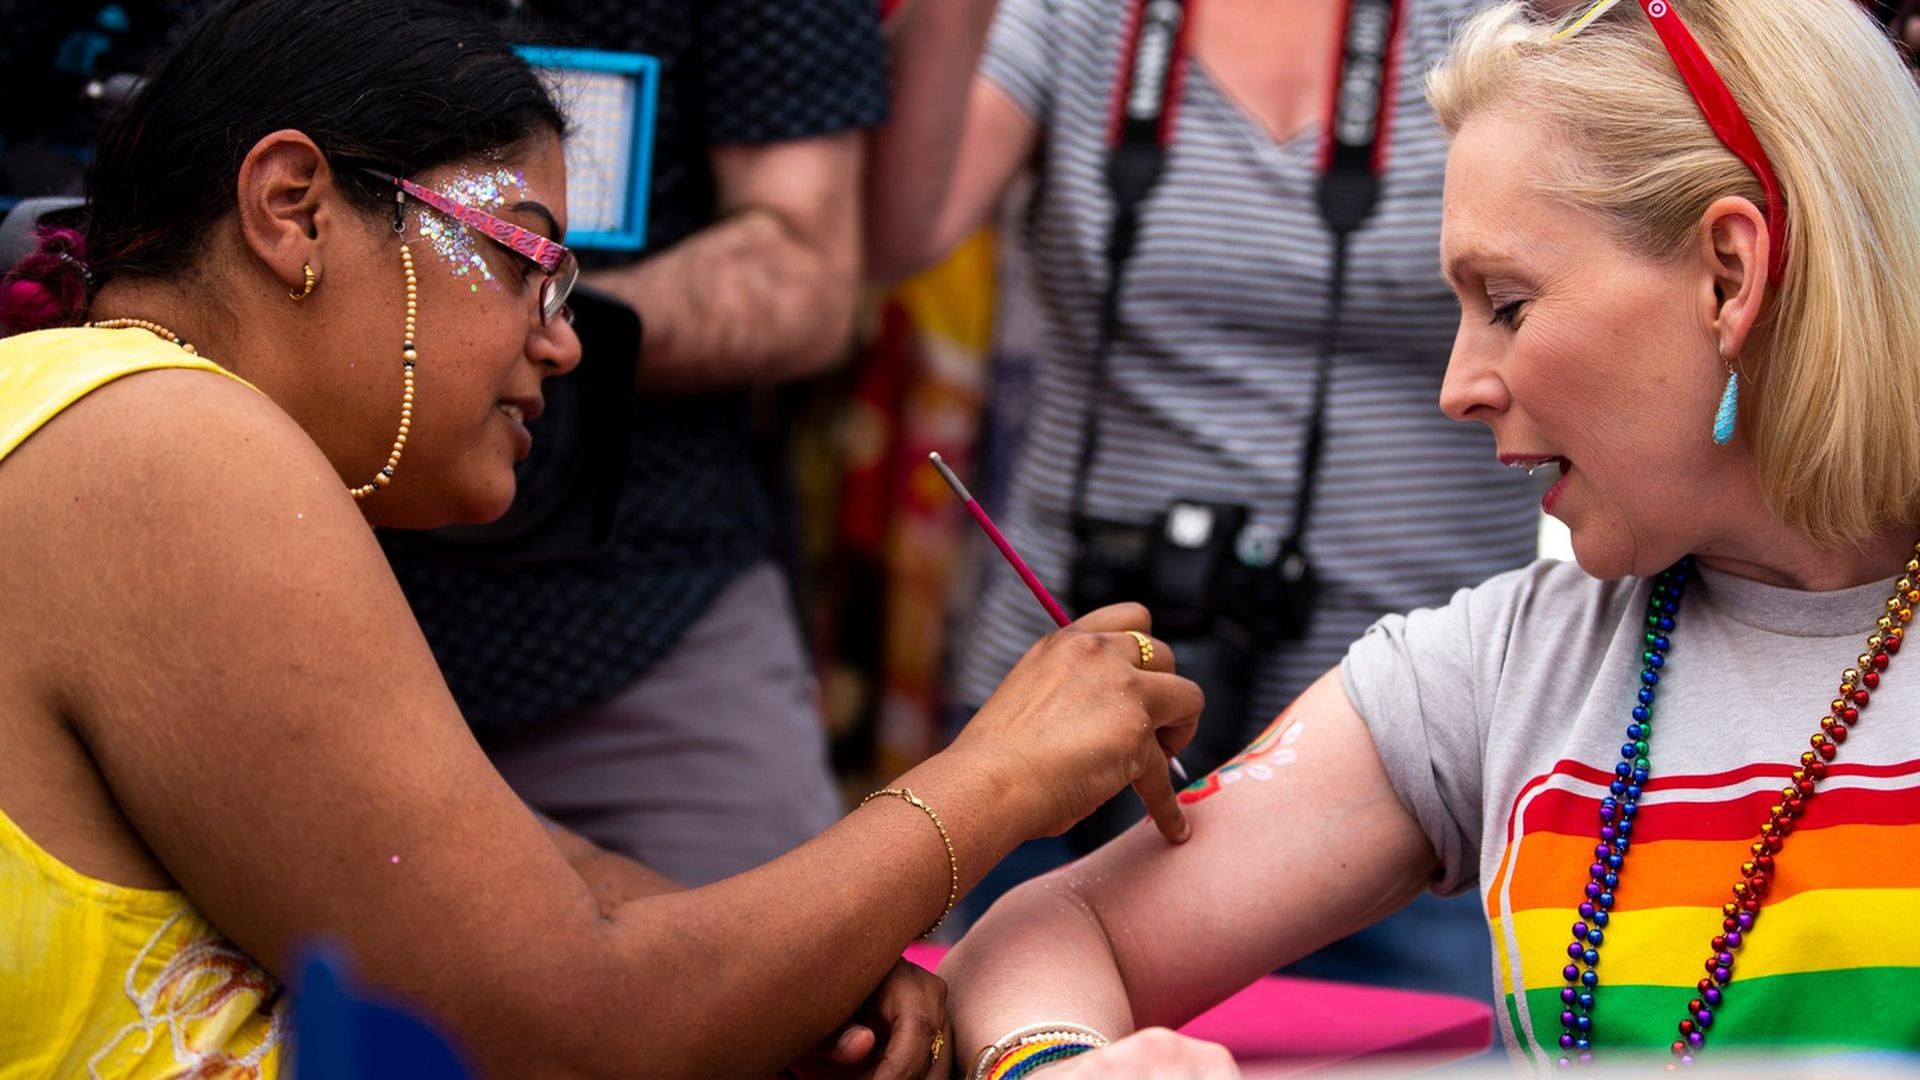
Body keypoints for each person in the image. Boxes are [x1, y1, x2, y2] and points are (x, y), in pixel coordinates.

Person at [0, 1, 1206, 1075]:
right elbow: (573, 1022)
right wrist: (999, 774)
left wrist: (792, 974)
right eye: (526, 260)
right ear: (293, 210)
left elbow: (534, 879)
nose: (566, 343)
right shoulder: (168, 438)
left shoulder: (101, 411)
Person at [935, 0, 1920, 1073]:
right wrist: (1058, 1060)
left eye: (1506, 303)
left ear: (1728, 276)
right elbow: (1047, 932)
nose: (1458, 388)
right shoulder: (1497, 670)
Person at [868, 0, 1536, 994]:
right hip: (1087, 714)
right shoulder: (1076, 14)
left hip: (1419, 755)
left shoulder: (1494, 23)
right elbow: (896, 238)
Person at [381, 0, 889, 888]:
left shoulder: (552, 334)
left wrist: (498, 329)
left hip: (650, 593)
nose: (556, 342)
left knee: (794, 986)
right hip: (293, 553)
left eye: (554, 313)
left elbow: (808, 278)